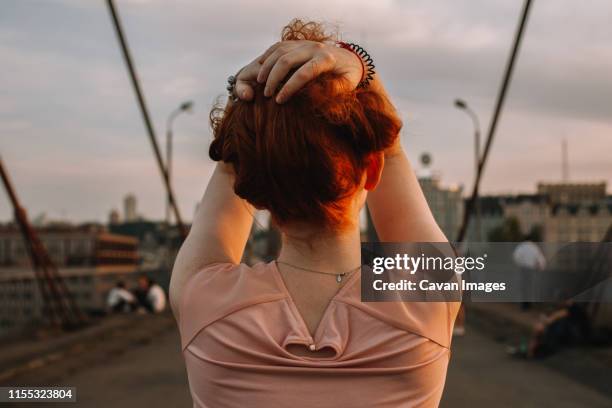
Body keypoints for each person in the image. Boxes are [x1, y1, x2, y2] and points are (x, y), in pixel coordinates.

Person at [170, 19, 459, 407]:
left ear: (252, 184)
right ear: (371, 170)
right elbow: (391, 149)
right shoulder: (428, 297)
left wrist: (247, 99)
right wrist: (360, 63)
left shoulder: (201, 301)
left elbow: (230, 165)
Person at [513, 239, 546, 310]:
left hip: (523, 269)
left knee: (524, 287)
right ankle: (529, 304)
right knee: (531, 287)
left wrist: (519, 264)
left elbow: (516, 256)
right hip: (532, 269)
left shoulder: (521, 246)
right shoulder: (534, 247)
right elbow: (540, 259)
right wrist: (541, 267)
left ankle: (525, 305)